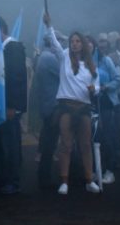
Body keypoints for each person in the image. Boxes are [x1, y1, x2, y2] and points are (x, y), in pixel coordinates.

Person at [42, 12, 101, 195]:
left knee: (85, 145)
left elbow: (97, 86)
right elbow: (54, 42)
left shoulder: (91, 65)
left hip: (83, 108)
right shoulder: (64, 56)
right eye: (72, 41)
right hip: (66, 107)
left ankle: (89, 180)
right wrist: (49, 25)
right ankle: (64, 182)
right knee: (66, 145)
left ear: (82, 43)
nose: (74, 44)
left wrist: (94, 90)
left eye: (77, 41)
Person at [0, 16, 28, 195]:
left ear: (0, 30)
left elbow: (16, 80)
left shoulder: (13, 48)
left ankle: (12, 181)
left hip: (8, 107)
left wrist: (12, 106)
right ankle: (1, 179)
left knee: (10, 146)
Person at [35, 33, 62, 188]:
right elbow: (65, 74)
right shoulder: (50, 59)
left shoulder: (43, 57)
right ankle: (44, 178)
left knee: (48, 141)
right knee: (50, 144)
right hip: (52, 105)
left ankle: (44, 176)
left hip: (47, 104)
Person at [95, 34, 120, 184]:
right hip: (91, 105)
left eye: (103, 41)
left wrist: (106, 87)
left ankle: (109, 170)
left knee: (107, 137)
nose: (100, 45)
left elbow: (118, 79)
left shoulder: (107, 61)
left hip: (106, 103)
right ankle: (97, 170)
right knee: (94, 138)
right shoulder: (86, 63)